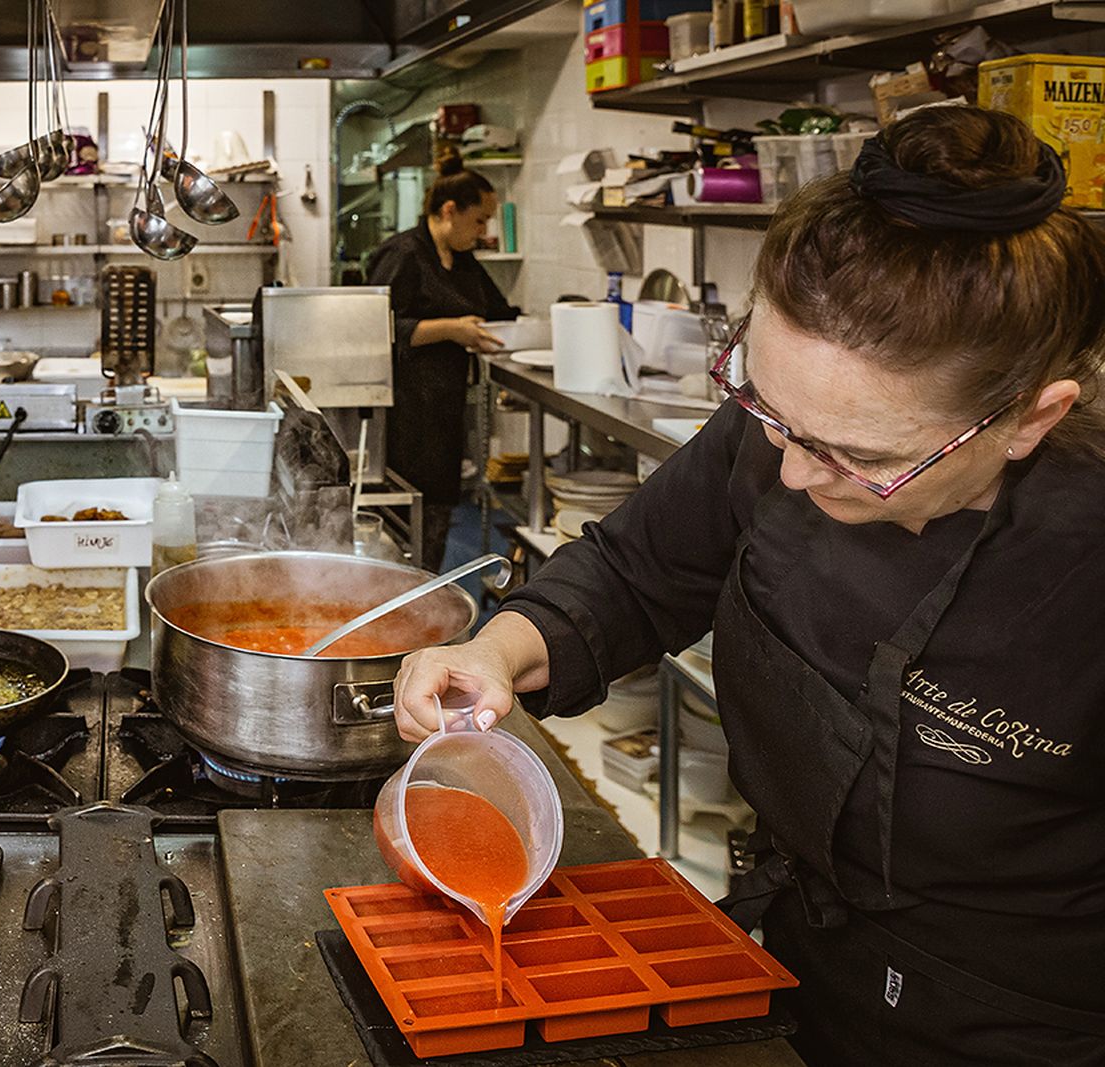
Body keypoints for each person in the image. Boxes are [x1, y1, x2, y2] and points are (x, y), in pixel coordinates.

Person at [393, 106, 1105, 1064]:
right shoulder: (789, 433)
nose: (798, 473)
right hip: (790, 956)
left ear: (1029, 416)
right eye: (768, 409)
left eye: (859, 457)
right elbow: (637, 569)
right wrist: (497, 648)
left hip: (1011, 1023)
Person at [368, 155, 520, 571]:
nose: (484, 231)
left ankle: (425, 595)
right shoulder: (402, 254)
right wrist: (451, 329)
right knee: (402, 520)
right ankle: (393, 603)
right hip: (401, 410)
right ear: (450, 211)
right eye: (479, 221)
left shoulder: (464, 261)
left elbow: (499, 312)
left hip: (444, 407)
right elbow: (375, 327)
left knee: (437, 516)